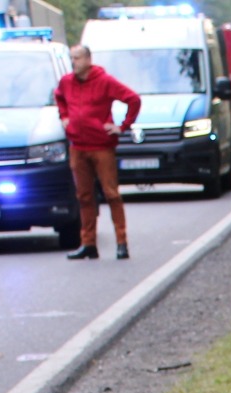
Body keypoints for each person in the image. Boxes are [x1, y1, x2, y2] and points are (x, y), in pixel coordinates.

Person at [53, 44, 139, 261]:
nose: (74, 63)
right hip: (78, 146)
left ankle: (121, 242)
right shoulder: (67, 82)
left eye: (78, 58)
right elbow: (59, 97)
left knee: (111, 193)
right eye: (72, 58)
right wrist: (64, 117)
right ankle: (88, 243)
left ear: (88, 59)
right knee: (84, 196)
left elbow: (133, 99)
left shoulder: (104, 81)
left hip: (101, 146)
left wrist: (122, 126)